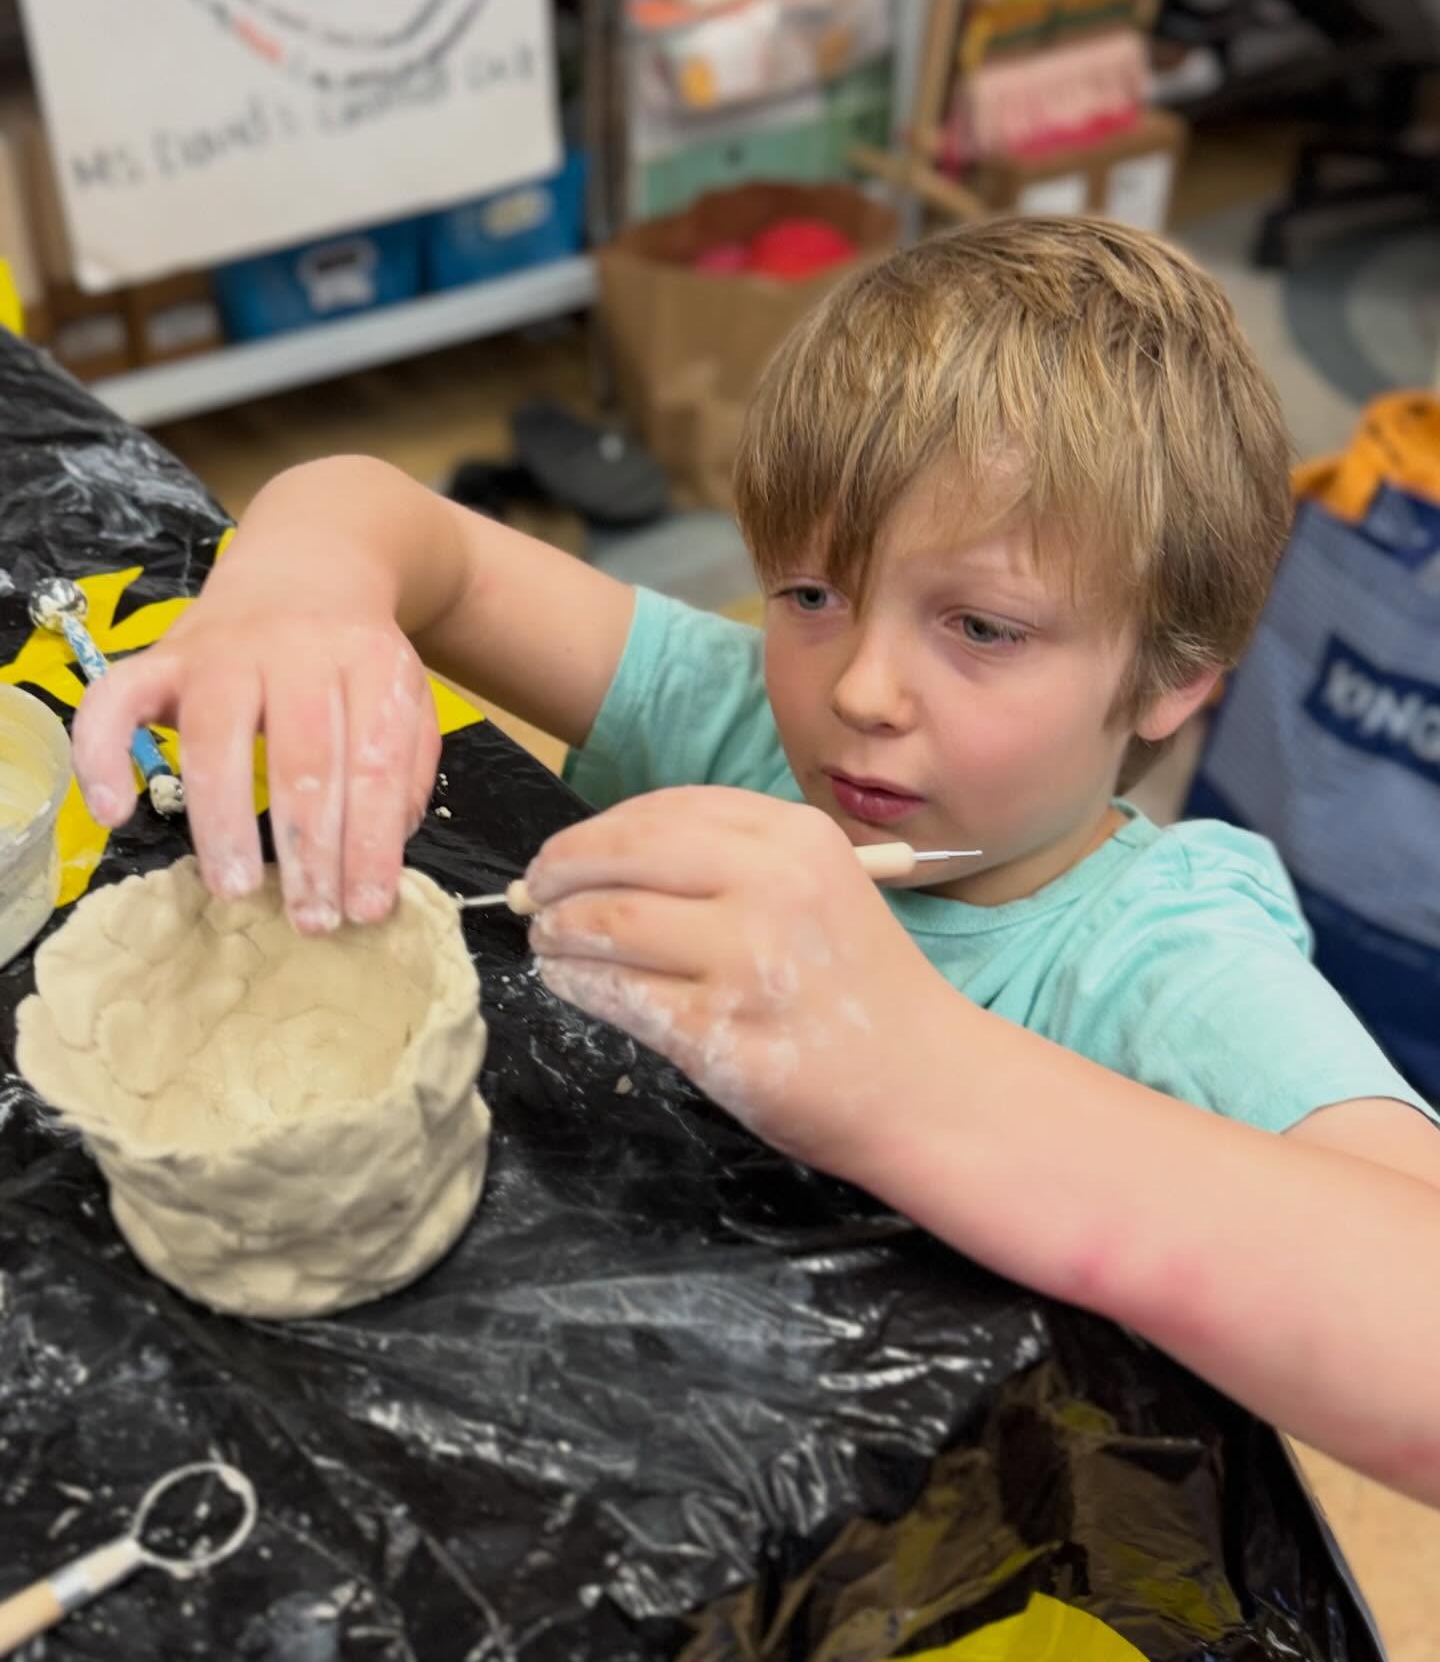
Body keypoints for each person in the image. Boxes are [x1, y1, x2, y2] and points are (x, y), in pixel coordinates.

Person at [73, 217, 1440, 1503]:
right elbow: (389, 517)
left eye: (981, 628)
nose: (863, 689)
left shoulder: (1168, 964)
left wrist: (902, 1069)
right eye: (811, 594)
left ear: (1171, 683)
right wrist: (304, 587)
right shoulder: (740, 723)